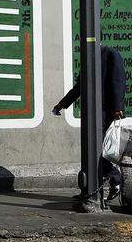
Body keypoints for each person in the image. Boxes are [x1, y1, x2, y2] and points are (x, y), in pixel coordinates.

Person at [53, 45, 127, 209]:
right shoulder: (88, 59)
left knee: (98, 148)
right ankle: (91, 188)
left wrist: (117, 108)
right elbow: (80, 87)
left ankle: (115, 179)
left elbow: (118, 81)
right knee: (90, 148)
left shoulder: (110, 54)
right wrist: (62, 104)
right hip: (91, 112)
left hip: (107, 111)